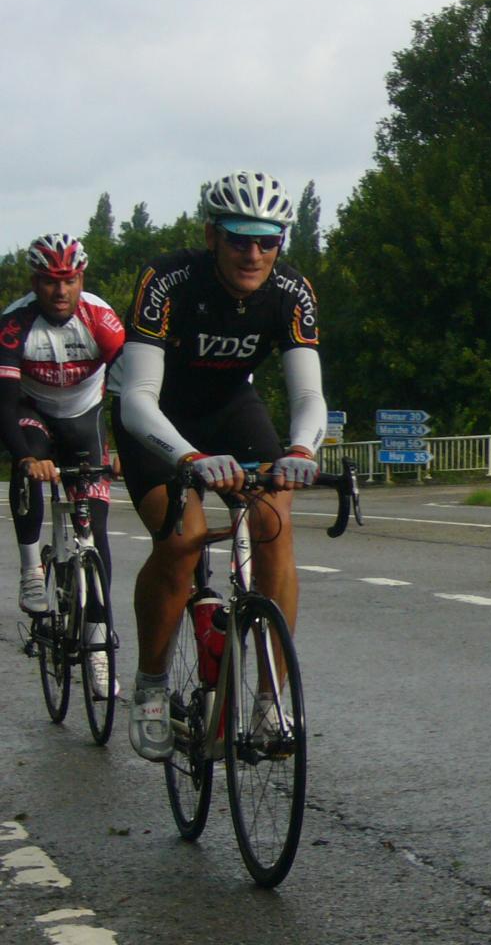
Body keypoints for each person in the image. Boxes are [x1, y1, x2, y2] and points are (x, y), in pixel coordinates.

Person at [116, 169, 327, 761]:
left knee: (274, 523)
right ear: (212, 235)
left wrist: (302, 450)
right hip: (157, 415)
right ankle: (151, 684)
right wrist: (190, 458)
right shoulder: (167, 280)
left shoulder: (291, 291)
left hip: (231, 407)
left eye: (267, 241)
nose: (253, 254)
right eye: (238, 238)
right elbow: (137, 400)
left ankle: (269, 700)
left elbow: (309, 395)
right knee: (182, 540)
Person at [0, 233, 123, 697]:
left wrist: (125, 449)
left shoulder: (100, 319)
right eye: (51, 281)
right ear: (35, 282)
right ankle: (32, 569)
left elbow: (132, 387)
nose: (60, 290)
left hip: (84, 418)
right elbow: (4, 403)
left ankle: (98, 648)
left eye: (69, 280)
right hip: (31, 412)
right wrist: (26, 457)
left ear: (81, 280)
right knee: (28, 459)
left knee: (97, 536)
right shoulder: (14, 324)